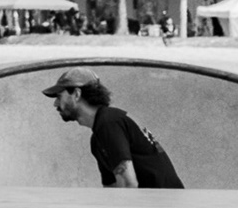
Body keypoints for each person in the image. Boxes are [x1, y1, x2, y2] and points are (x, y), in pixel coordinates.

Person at [43, 67, 183, 189]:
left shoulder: (109, 123)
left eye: (59, 96)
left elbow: (129, 185)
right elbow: (112, 190)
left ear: (77, 94)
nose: (55, 104)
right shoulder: (99, 136)